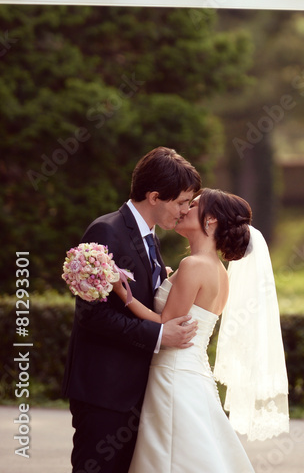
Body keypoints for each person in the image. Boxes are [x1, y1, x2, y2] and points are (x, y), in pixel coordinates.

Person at [113, 188, 289, 473]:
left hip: (173, 372)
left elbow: (164, 323)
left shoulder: (194, 265)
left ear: (211, 221)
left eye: (193, 205)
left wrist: (125, 296)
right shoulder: (218, 270)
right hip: (192, 372)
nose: (184, 209)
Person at [62, 146, 201, 473]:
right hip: (104, 391)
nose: (184, 211)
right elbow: (92, 315)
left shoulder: (151, 238)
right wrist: (160, 334)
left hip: (135, 392)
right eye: (181, 202)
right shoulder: (107, 231)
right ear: (154, 196)